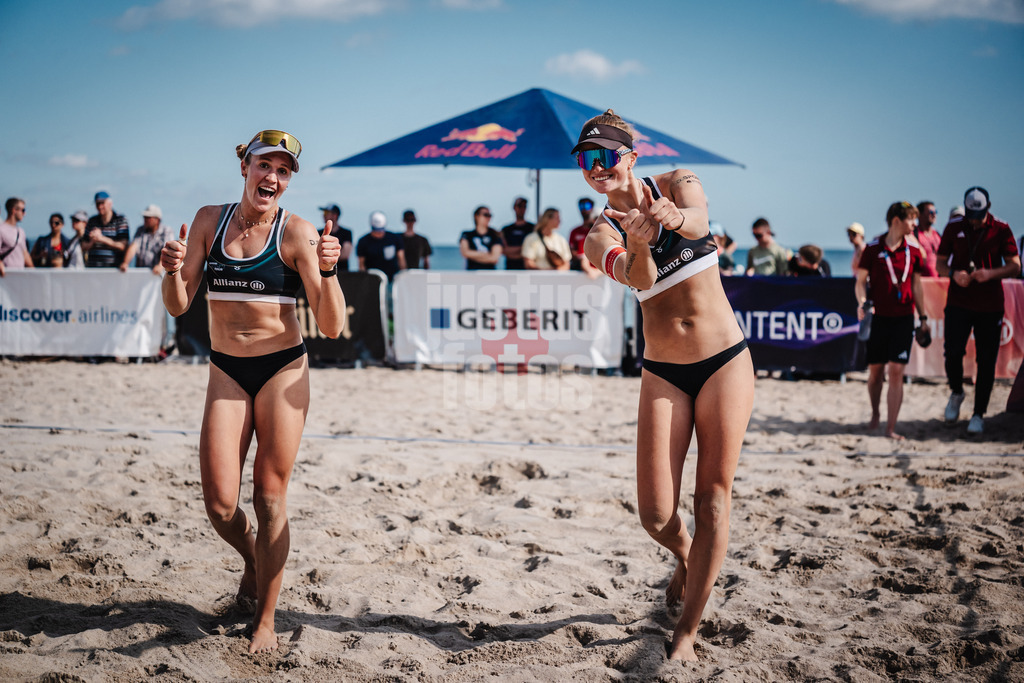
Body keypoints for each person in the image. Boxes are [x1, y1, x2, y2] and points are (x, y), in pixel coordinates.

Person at [576, 110, 754, 661]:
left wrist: (672, 218)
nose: (595, 168)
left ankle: (686, 634)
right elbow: (642, 280)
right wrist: (639, 241)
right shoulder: (598, 233)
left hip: (724, 360)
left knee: (713, 500)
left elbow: (702, 225)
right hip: (663, 371)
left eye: (605, 156)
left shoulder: (678, 182)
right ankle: (687, 556)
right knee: (655, 514)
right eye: (585, 160)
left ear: (631, 156)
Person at [160, 129, 346, 654]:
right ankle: (253, 558)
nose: (273, 177)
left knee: (268, 496)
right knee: (220, 505)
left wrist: (330, 270)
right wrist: (171, 270)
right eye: (266, 165)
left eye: (284, 171)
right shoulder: (206, 221)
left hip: (282, 369)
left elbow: (331, 326)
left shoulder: (298, 233)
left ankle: (265, 618)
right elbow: (178, 304)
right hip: (226, 368)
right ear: (244, 167)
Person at [935, 187, 1020, 435]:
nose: (974, 219)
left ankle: (978, 414)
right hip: (958, 301)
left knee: (986, 360)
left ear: (988, 207)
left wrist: (990, 274)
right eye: (971, 214)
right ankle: (957, 392)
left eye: (979, 214)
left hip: (990, 305)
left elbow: (1015, 266)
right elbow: (939, 263)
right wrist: (953, 274)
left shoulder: (1001, 229)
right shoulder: (954, 228)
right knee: (952, 353)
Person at [854, 202, 928, 440]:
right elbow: (860, 282)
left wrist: (923, 317)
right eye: (911, 219)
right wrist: (862, 302)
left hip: (904, 319)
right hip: (878, 318)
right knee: (876, 373)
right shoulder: (873, 249)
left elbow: (917, 286)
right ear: (896, 220)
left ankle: (890, 427)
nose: (915, 224)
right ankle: (876, 414)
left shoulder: (914, 251)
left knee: (897, 371)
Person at [122, 205, 175, 274]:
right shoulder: (140, 230)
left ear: (157, 220)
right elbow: (133, 247)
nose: (145, 220)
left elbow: (167, 251)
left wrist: (160, 266)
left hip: (159, 277)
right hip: (142, 276)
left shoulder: (166, 231)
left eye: (148, 217)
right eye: (145, 217)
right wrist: (125, 263)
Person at [83, 191, 130, 268]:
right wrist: (92, 241)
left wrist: (101, 238)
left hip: (113, 269)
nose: (100, 206)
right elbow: (83, 246)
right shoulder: (92, 221)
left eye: (102, 203)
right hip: (93, 268)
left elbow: (122, 246)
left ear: (110, 203)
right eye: (97, 204)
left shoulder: (120, 220)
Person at [356, 211, 405, 281]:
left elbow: (401, 259)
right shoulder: (363, 241)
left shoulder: (394, 238)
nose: (379, 233)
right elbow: (361, 264)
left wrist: (402, 276)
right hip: (372, 280)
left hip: (393, 279)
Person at [460, 206, 503, 270]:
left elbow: (494, 258)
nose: (488, 218)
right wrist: (487, 254)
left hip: (490, 275)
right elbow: (465, 252)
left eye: (490, 215)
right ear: (476, 216)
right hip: (472, 274)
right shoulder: (467, 234)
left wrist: (472, 255)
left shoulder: (495, 234)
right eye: (485, 215)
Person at [0, 197, 33, 276]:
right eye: (23, 210)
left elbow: (25, 255)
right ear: (14, 210)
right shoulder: (1, 230)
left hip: (20, 277)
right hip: (5, 277)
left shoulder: (21, 231)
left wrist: (34, 272)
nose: (24, 214)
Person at [568, 197, 600, 276]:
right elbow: (572, 253)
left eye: (587, 206)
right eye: (581, 206)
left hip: (599, 270)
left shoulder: (598, 231)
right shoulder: (575, 231)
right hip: (581, 273)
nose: (584, 209)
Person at [500, 196, 533, 270]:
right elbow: (504, 250)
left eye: (524, 206)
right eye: (519, 206)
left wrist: (513, 251)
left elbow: (534, 250)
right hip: (510, 269)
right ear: (514, 208)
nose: (521, 209)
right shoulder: (506, 229)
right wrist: (524, 249)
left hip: (527, 269)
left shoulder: (532, 228)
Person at [318, 204, 352, 272]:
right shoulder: (319, 232)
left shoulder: (346, 233)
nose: (324, 215)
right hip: (323, 272)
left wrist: (326, 257)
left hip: (342, 273)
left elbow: (345, 255)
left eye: (326, 213)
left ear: (335, 215)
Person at [914, 201, 942, 277]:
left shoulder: (937, 235)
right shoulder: (912, 234)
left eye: (935, 211)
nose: (934, 214)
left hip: (940, 284)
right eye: (931, 212)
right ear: (919, 215)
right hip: (922, 283)